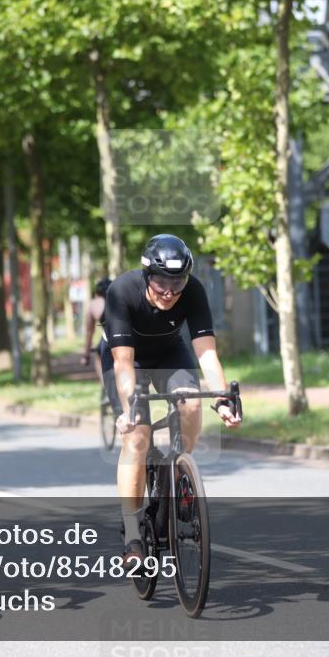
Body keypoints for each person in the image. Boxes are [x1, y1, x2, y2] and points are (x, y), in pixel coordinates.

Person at [100, 234, 241, 565]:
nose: (169, 291)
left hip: (168, 353)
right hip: (126, 359)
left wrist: (222, 400)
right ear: (148, 276)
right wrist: (129, 408)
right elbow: (122, 362)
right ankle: (133, 534)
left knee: (191, 403)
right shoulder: (121, 291)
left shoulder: (193, 291)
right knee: (137, 436)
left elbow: (207, 354)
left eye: (177, 283)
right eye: (162, 282)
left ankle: (180, 471)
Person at [80, 277, 111, 380]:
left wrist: (86, 354)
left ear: (97, 293)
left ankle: (105, 385)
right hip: (130, 335)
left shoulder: (94, 304)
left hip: (110, 338)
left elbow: (89, 332)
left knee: (99, 354)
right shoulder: (121, 297)